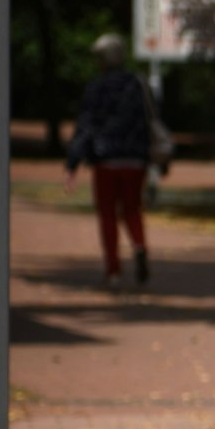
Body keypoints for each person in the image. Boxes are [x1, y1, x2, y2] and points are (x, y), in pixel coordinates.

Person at [65, 32, 153, 291]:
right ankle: (139, 245)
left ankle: (113, 269)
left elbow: (86, 126)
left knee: (107, 215)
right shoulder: (137, 84)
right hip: (136, 161)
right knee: (132, 209)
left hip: (107, 159)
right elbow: (150, 120)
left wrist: (73, 163)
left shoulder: (97, 87)